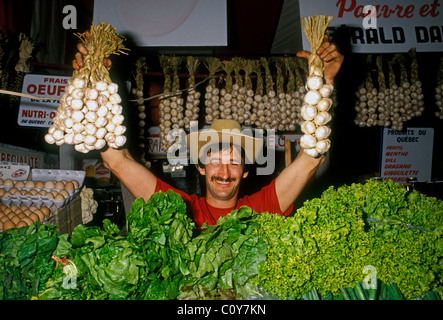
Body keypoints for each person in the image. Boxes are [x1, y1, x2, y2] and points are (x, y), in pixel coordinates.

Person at [73, 34, 344, 228]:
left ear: (246, 170)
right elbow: (116, 160)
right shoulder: (178, 208)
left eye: (234, 162)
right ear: (201, 167)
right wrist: (96, 81)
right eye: (215, 160)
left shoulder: (265, 207)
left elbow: (312, 158)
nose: (224, 172)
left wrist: (325, 81)